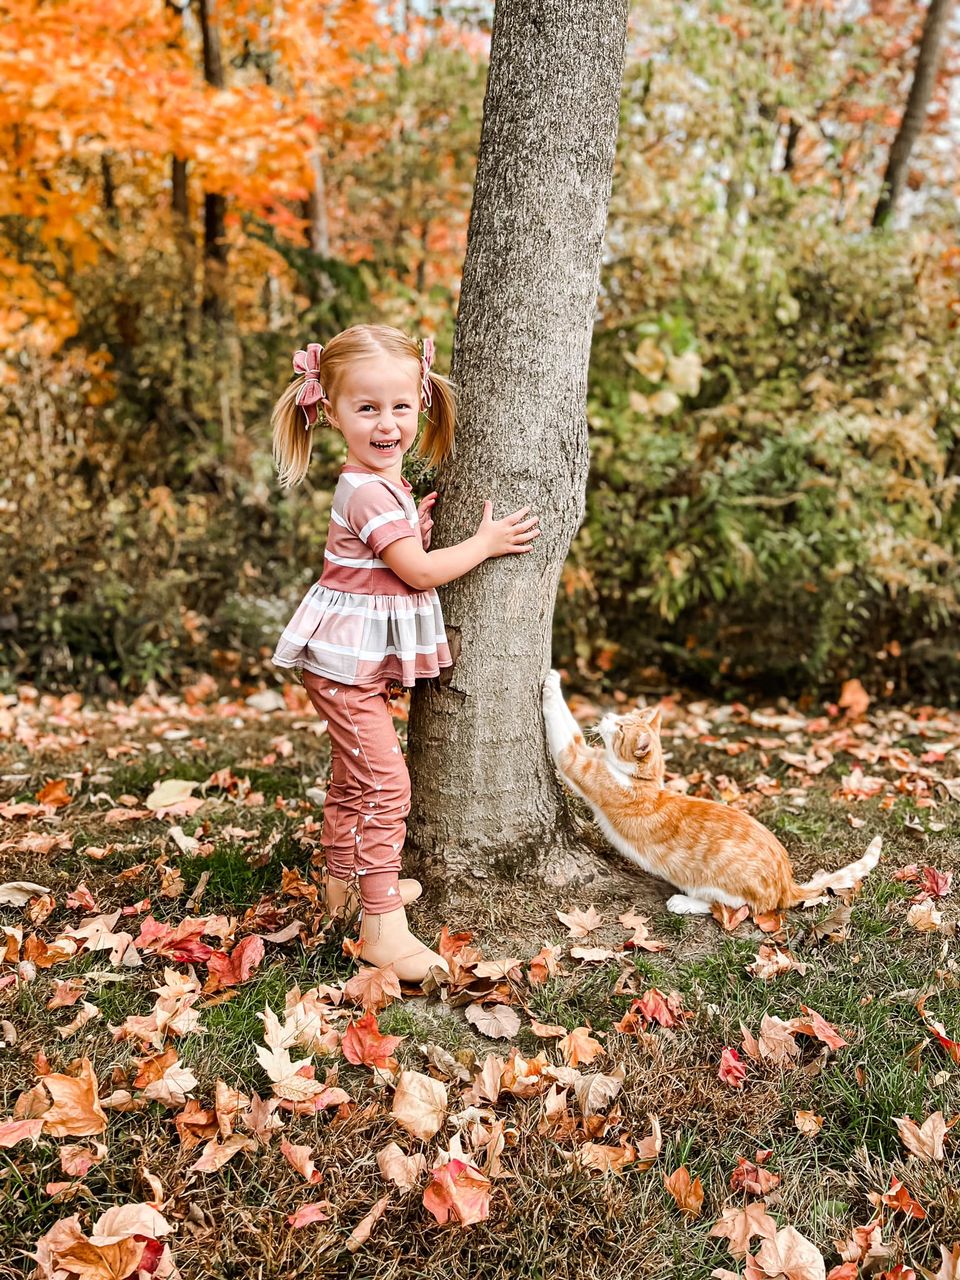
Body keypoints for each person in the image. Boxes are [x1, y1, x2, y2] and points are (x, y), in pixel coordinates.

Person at [270, 324, 540, 982]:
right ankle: (383, 925)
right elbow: (416, 572)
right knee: (385, 787)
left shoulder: (378, 487)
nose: (386, 423)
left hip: (347, 662)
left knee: (352, 779)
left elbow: (390, 559)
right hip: (344, 668)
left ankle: (344, 886)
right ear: (330, 413)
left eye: (398, 405)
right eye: (366, 408)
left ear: (420, 401)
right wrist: (484, 542)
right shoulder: (364, 491)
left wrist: (414, 517)